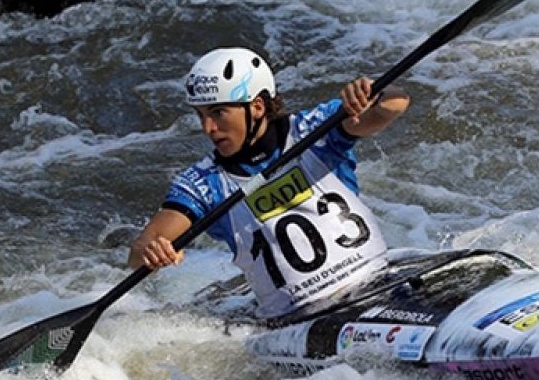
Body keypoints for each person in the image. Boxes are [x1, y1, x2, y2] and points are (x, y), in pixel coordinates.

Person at [128, 46, 411, 319]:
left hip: (376, 279)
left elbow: (394, 105)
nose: (208, 128)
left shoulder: (313, 130)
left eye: (218, 113)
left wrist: (373, 92)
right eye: (201, 115)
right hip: (300, 318)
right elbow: (141, 250)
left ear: (257, 107)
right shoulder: (204, 183)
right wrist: (153, 251)